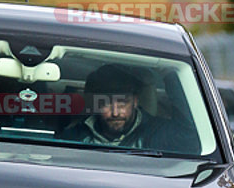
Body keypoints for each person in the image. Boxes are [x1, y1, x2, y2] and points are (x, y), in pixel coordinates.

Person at [67, 63, 199, 154]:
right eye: (106, 103)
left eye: (123, 103)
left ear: (135, 101)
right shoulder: (75, 136)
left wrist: (170, 74)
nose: (115, 112)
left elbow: (192, 133)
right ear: (96, 104)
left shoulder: (157, 135)